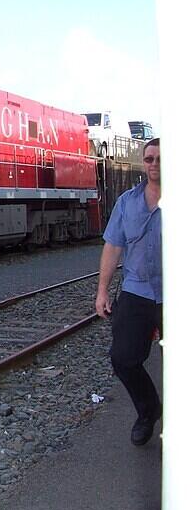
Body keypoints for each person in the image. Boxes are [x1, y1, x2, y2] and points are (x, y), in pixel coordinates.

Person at [96, 137, 162, 446]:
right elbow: (113, 247)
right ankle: (148, 412)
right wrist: (102, 291)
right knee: (123, 358)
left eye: (160, 158)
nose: (154, 164)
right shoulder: (127, 202)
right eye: (149, 159)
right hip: (137, 292)